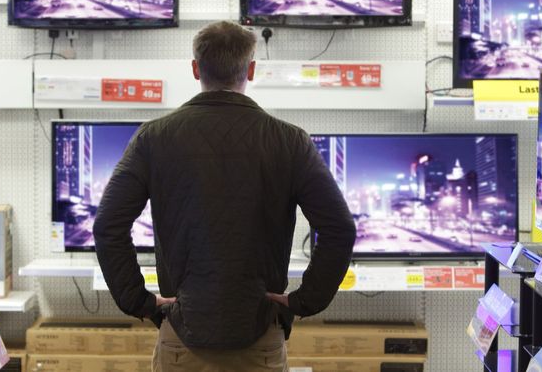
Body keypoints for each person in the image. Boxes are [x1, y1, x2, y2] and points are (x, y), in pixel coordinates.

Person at [94, 21, 356, 371]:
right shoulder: (290, 141)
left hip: (181, 338)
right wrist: (304, 300)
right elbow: (339, 228)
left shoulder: (153, 138)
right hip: (260, 335)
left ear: (195, 68)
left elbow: (108, 226)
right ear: (250, 69)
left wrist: (138, 302)